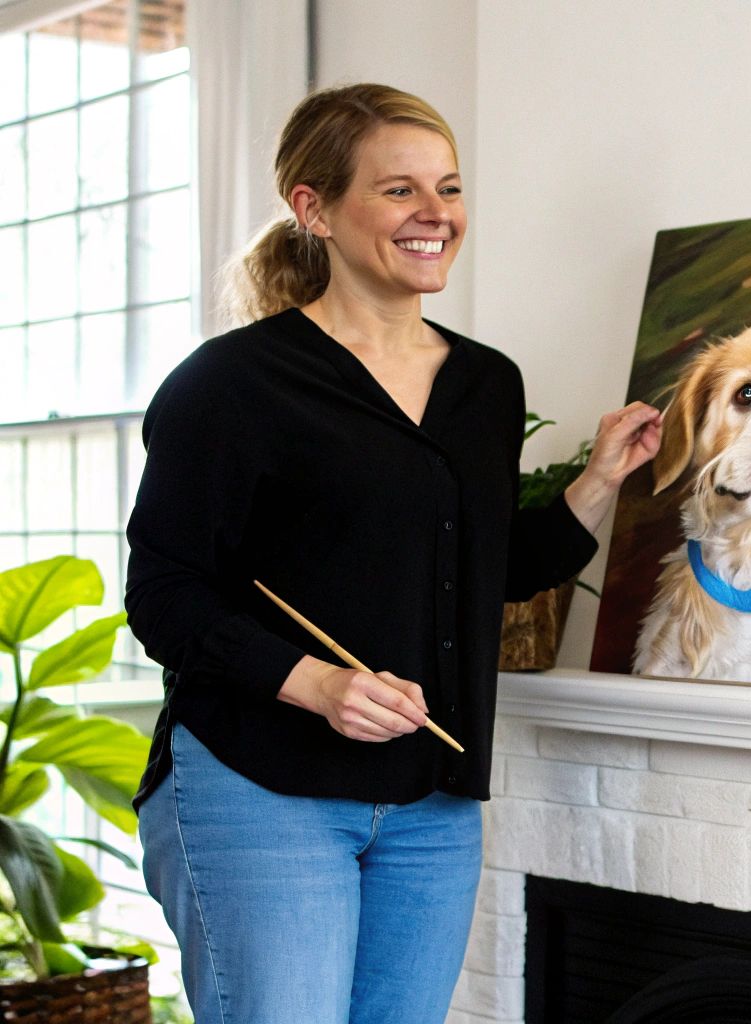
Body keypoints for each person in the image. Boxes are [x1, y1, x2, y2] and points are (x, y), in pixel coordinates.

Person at [124, 83, 660, 1024]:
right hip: (259, 786)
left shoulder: (486, 384)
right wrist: (316, 684)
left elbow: (486, 573)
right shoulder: (230, 384)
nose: (435, 214)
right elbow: (162, 594)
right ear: (314, 208)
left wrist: (600, 479)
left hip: (430, 806)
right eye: (400, 190)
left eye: (448, 189)